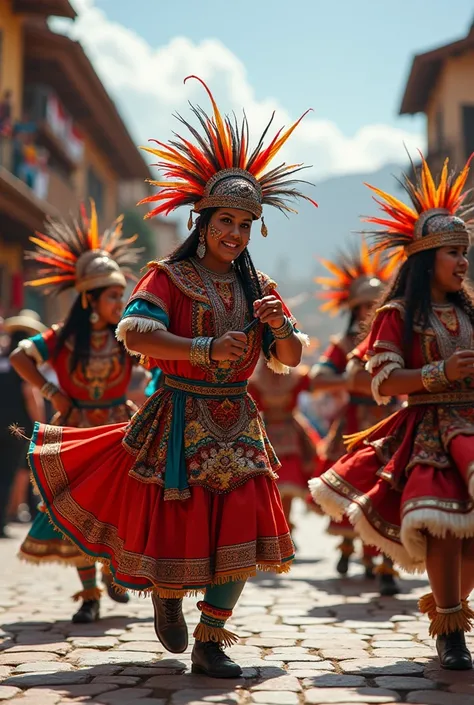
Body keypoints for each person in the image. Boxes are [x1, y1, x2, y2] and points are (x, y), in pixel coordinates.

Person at [24, 75, 316, 678]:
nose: (234, 235)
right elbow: (133, 334)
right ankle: (167, 594)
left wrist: (281, 325)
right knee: (180, 524)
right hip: (179, 414)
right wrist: (202, 346)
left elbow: (287, 359)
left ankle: (212, 638)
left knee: (244, 520)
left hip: (239, 420)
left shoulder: (259, 289)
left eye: (245, 224)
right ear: (202, 218)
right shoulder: (166, 276)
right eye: (225, 221)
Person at [310, 153, 474, 670]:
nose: (464, 262)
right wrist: (438, 376)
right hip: (428, 430)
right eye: (454, 252)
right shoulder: (397, 315)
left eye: (466, 252)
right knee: (445, 529)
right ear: (428, 259)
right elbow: (381, 382)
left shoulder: (470, 311)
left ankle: (450, 608)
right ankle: (450, 626)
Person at [10, 201, 142, 624]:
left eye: (122, 295)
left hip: (121, 429)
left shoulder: (129, 336)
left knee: (119, 506)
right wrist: (52, 390)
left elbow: (160, 361)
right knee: (76, 509)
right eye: (113, 296)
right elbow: (18, 356)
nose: (119, 302)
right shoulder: (62, 338)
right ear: (89, 299)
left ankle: (114, 573)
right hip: (77, 430)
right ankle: (89, 594)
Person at [309, 241, 400, 595]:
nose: (368, 313)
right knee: (357, 489)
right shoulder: (343, 344)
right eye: (363, 306)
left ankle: (388, 563)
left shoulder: (396, 337)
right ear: (354, 308)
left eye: (374, 306)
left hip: (390, 421)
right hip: (353, 427)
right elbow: (318, 379)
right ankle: (359, 550)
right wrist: (349, 380)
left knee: (390, 487)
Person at [249, 357, 320, 536]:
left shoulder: (297, 378)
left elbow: (315, 383)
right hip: (267, 434)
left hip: (290, 435)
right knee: (271, 487)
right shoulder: (255, 383)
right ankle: (277, 529)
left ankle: (283, 528)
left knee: (287, 487)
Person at [0, 311, 46, 538]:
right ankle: (2, 521)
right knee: (8, 472)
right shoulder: (23, 365)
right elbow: (30, 395)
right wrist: (42, 425)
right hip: (16, 428)